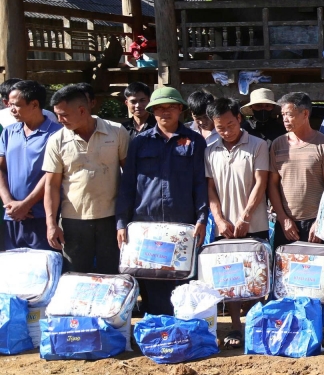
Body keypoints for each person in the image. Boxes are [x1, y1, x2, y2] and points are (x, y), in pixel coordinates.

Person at [115, 87, 208, 315]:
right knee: (151, 279)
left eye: (170, 107)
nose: (165, 112)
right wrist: (121, 223)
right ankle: (156, 331)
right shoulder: (139, 143)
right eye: (159, 108)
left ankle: (182, 333)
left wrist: (202, 218)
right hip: (146, 225)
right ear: (152, 111)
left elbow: (200, 183)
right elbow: (127, 185)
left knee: (182, 280)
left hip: (182, 223)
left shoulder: (194, 141)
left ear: (180, 110)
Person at [42, 84, 129, 273]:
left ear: (82, 110)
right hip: (74, 220)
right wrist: (51, 224)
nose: (59, 119)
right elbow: (51, 186)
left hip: (111, 218)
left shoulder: (116, 132)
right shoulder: (57, 140)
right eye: (57, 114)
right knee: (75, 274)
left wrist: (128, 217)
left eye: (63, 114)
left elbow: (129, 177)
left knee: (113, 273)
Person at [205, 98, 270, 347]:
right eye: (220, 127)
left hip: (254, 224)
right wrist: (219, 219)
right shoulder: (209, 150)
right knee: (230, 279)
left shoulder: (258, 145)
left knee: (255, 277)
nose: (226, 131)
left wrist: (245, 217)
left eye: (230, 124)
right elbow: (210, 189)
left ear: (239, 119)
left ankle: (254, 324)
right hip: (225, 228)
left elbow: (260, 182)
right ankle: (234, 327)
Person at [267, 92, 324, 247]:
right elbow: (272, 184)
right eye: (283, 115)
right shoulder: (278, 144)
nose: (284, 119)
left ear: (305, 113)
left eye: (289, 114)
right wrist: (282, 217)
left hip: (316, 222)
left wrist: (320, 221)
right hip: (286, 223)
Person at [0, 80, 63, 250]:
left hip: (43, 217)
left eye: (16, 105)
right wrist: (10, 204)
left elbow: (53, 175)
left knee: (43, 269)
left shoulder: (57, 134)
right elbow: (0, 168)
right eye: (10, 105)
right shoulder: (9, 132)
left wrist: (26, 205)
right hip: (12, 217)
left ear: (34, 104)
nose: (11, 109)